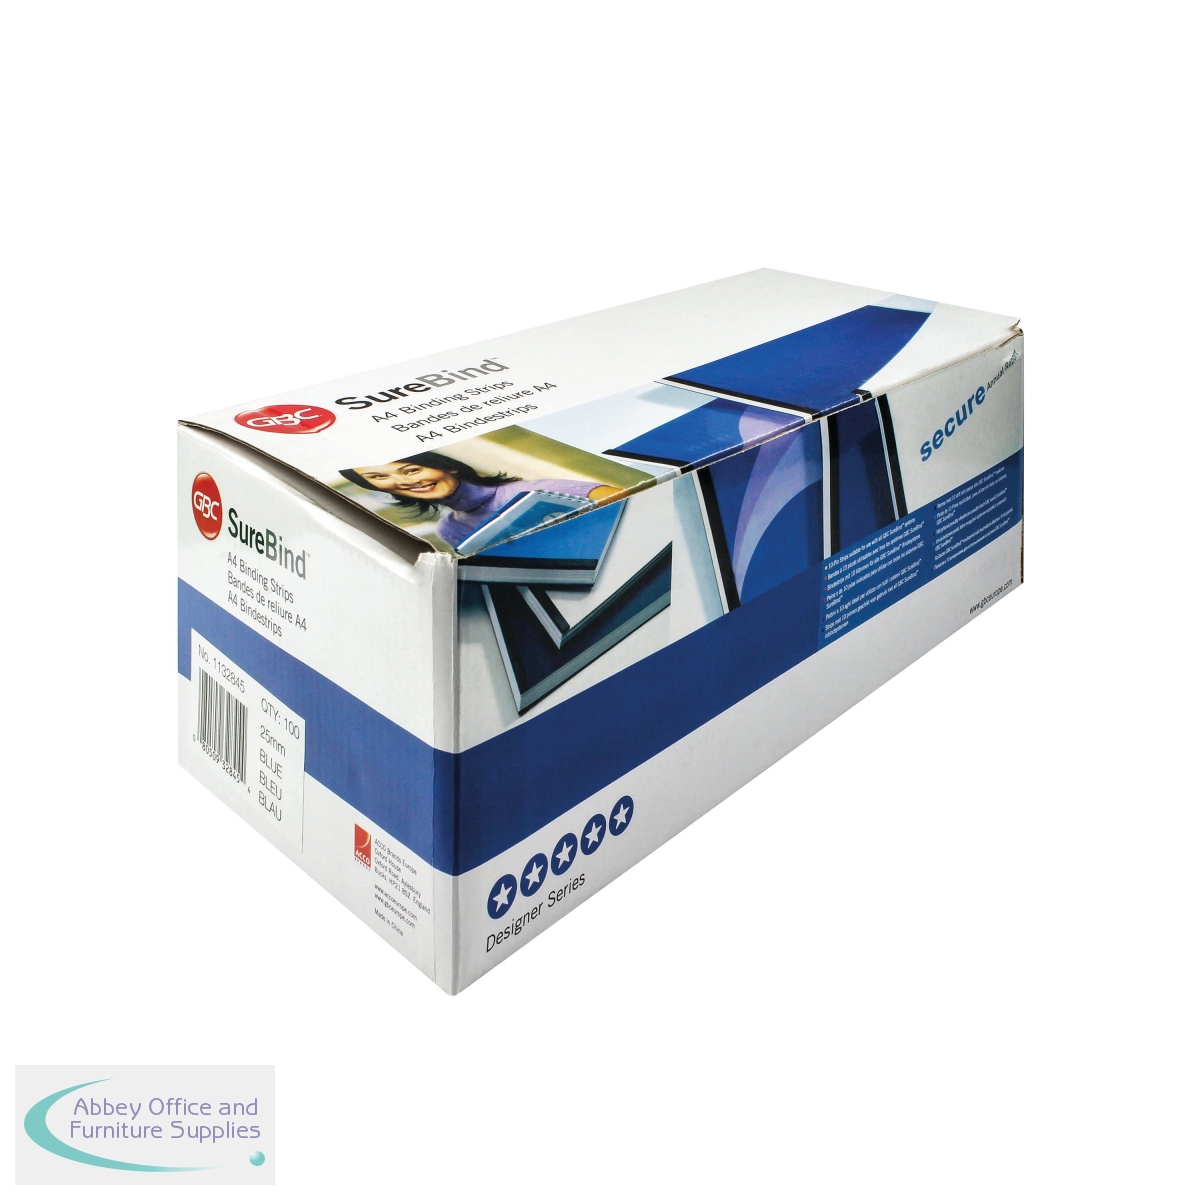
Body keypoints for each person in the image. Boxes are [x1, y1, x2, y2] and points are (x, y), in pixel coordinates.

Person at [339, 452, 620, 549]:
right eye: (379, 477)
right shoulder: (449, 530)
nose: (403, 482)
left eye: (411, 470)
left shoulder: (534, 490)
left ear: (448, 467)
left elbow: (631, 503)